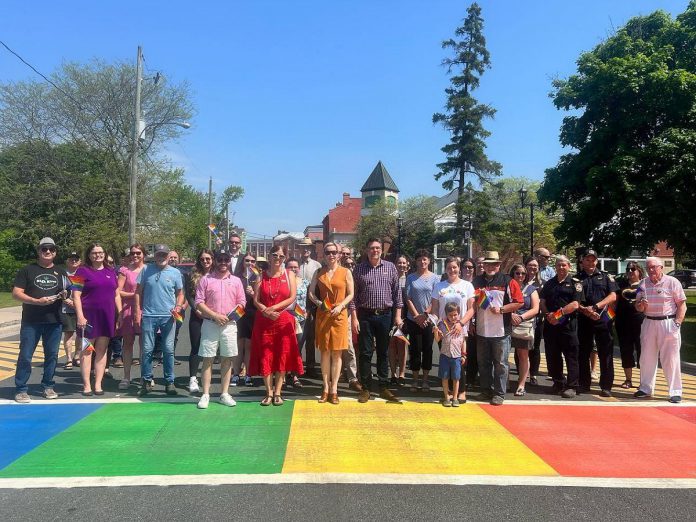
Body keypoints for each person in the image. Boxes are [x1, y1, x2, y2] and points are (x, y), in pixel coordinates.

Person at [12, 237, 67, 403]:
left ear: (55, 252)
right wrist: (37, 301)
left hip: (54, 321)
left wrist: (65, 296)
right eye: (44, 249)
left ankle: (48, 386)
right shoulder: (27, 270)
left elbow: (67, 292)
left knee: (52, 355)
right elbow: (16, 293)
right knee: (26, 355)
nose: (48, 252)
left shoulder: (61, 272)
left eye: (51, 249)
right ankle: (21, 389)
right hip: (31, 320)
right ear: (39, 251)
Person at [350, 238, 403, 403]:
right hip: (365, 315)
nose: (375, 250)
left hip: (385, 315)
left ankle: (383, 386)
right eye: (372, 248)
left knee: (383, 352)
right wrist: (354, 318)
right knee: (365, 353)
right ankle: (366, 388)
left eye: (378, 248)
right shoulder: (359, 269)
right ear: (367, 250)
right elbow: (353, 297)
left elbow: (397, 294)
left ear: (382, 250)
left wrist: (397, 316)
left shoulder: (390, 267)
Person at [249, 245, 304, 406]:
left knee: (282, 354)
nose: (277, 258)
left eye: (281, 256)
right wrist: (265, 311)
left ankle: (278, 392)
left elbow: (292, 297)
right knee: (266, 355)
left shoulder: (289, 274)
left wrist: (272, 308)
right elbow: (256, 300)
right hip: (264, 321)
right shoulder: (261, 276)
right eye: (275, 255)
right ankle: (268, 392)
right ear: (269, 256)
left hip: (283, 319)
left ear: (284, 258)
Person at [194, 250, 246, 409]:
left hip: (229, 325)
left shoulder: (236, 281)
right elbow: (199, 302)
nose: (223, 262)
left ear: (230, 261)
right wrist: (215, 315)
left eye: (226, 259)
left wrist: (230, 317)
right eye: (220, 259)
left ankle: (224, 393)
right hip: (210, 323)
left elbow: (242, 303)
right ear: (215, 261)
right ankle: (205, 394)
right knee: (208, 359)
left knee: (227, 359)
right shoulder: (205, 279)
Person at [472, 251, 523, 406]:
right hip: (481, 329)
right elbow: (472, 303)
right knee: (483, 362)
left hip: (501, 331)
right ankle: (486, 390)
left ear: (498, 265)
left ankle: (499, 393)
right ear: (483, 265)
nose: (490, 267)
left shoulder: (508, 281)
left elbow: (519, 302)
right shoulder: (477, 281)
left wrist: (502, 309)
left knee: (500, 363)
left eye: (493, 264)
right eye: (487, 264)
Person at [134, 244, 185, 396]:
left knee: (168, 350)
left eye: (164, 255)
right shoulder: (146, 270)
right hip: (149, 316)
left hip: (168, 316)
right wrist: (138, 311)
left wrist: (178, 306)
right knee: (147, 350)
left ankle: (169, 382)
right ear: (154, 255)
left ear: (169, 256)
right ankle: (147, 381)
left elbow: (180, 293)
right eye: (159, 254)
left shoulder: (175, 272)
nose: (161, 257)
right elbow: (138, 292)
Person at [634, 257, 687, 403]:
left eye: (654, 267)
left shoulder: (672, 282)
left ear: (661, 267)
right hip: (649, 322)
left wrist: (677, 323)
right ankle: (645, 388)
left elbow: (682, 305)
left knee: (670, 358)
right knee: (646, 357)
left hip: (668, 322)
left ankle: (675, 391)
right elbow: (637, 307)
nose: (651, 270)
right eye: (648, 267)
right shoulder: (643, 283)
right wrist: (640, 304)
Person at [308, 242, 354, 404]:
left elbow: (351, 294)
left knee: (337, 353)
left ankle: (334, 389)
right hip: (324, 314)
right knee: (325, 352)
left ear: (339, 254)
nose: (331, 255)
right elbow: (311, 293)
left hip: (339, 315)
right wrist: (319, 303)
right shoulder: (318, 272)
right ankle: (325, 388)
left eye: (334, 252)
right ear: (324, 255)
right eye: (328, 252)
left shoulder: (346, 272)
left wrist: (341, 305)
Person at [72, 243, 122, 396]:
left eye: (100, 252)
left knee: (102, 351)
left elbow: (116, 294)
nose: (97, 255)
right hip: (88, 319)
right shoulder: (81, 271)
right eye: (94, 253)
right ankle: (87, 385)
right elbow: (76, 295)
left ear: (105, 254)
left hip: (107, 317)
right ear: (89, 255)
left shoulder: (111, 271)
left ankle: (98, 384)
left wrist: (120, 314)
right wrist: (80, 315)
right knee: (87, 351)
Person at [431, 256, 475, 401]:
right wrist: (436, 324)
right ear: (445, 269)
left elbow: (471, 309)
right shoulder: (439, 286)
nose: (452, 270)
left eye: (455, 267)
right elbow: (436, 309)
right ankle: (448, 392)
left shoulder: (467, 286)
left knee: (459, 359)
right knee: (446, 359)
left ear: (459, 269)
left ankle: (461, 390)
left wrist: (460, 323)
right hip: (444, 330)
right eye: (449, 268)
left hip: (460, 328)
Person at [539, 255, 583, 398]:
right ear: (555, 267)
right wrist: (548, 315)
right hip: (551, 325)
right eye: (558, 265)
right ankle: (558, 382)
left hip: (567, 325)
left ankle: (572, 386)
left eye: (564, 265)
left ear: (569, 266)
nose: (561, 267)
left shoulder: (576, 283)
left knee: (571, 356)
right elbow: (542, 301)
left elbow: (576, 304)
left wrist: (558, 315)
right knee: (552, 355)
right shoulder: (549, 283)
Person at [576, 249, 618, 397]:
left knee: (605, 353)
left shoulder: (606, 277)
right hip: (583, 319)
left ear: (597, 261)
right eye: (587, 259)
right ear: (582, 261)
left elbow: (613, 296)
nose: (590, 262)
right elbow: (574, 300)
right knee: (583, 352)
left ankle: (606, 386)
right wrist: (586, 310)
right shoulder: (576, 279)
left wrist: (595, 307)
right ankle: (584, 383)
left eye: (593, 260)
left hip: (603, 319)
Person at [405, 249, 440, 393]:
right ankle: (414, 379)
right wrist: (417, 316)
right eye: (419, 259)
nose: (422, 262)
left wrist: (425, 315)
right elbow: (408, 298)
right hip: (413, 320)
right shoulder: (410, 278)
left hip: (429, 320)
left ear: (429, 261)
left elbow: (435, 298)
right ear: (416, 261)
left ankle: (425, 380)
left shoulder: (435, 278)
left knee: (427, 350)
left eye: (425, 259)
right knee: (414, 350)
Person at [116, 243, 146, 391]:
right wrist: (134, 295)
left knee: (145, 346)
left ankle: (144, 377)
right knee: (127, 344)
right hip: (128, 310)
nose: (135, 256)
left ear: (143, 255)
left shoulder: (148, 270)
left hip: (145, 310)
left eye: (138, 253)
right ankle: (126, 377)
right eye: (132, 253)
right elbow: (118, 292)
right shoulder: (124, 271)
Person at [185, 249, 214, 393]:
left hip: (213, 316)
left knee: (211, 349)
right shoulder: (192, 274)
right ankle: (192, 378)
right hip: (197, 315)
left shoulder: (217, 275)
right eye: (202, 259)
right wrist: (196, 309)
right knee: (196, 347)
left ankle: (207, 377)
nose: (205, 261)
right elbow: (189, 295)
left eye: (208, 259)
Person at [509, 263, 539, 396]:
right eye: (517, 273)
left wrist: (520, 317)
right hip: (507, 323)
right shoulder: (507, 288)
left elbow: (535, 309)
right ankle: (504, 382)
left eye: (523, 273)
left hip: (524, 324)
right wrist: (510, 315)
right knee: (503, 355)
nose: (520, 276)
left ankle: (521, 385)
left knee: (523, 356)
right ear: (512, 274)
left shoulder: (531, 289)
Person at [615, 261, 644, 389]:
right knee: (626, 351)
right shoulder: (621, 285)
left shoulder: (645, 284)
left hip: (641, 323)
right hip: (623, 323)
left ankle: (643, 381)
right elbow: (614, 303)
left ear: (639, 271)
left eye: (633, 269)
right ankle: (628, 379)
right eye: (628, 269)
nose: (630, 272)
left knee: (642, 351)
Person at [233, 252, 259, 387]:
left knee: (249, 346)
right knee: (238, 345)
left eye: (252, 261)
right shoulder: (236, 278)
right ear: (242, 262)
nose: (250, 263)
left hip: (251, 313)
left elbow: (261, 299)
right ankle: (236, 374)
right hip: (239, 313)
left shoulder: (257, 278)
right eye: (247, 260)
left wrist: (253, 293)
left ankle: (248, 375)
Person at [297, 237, 322, 377]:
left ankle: (311, 367)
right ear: (300, 249)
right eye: (302, 247)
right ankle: (297, 367)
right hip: (297, 308)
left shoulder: (317, 266)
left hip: (312, 307)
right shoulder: (295, 265)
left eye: (308, 247)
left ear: (311, 249)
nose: (305, 249)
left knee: (311, 339)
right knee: (298, 338)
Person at [438, 302, 467, 407]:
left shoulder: (461, 326)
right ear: (446, 314)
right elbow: (437, 339)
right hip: (445, 355)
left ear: (458, 314)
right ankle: (446, 397)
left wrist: (464, 354)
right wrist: (436, 332)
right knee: (445, 377)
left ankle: (455, 398)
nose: (453, 317)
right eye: (450, 315)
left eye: (455, 315)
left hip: (456, 356)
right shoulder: (442, 324)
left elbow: (463, 341)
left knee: (456, 378)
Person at [285, 257, 307, 389]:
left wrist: (308, 312)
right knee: (284, 348)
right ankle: (282, 375)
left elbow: (310, 299)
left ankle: (294, 375)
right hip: (286, 319)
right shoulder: (282, 282)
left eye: (295, 267)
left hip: (301, 320)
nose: (293, 269)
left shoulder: (305, 282)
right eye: (290, 267)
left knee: (297, 349)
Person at [389, 254, 410, 386]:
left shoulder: (410, 280)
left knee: (402, 345)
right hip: (391, 315)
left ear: (407, 266)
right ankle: (393, 374)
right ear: (395, 264)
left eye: (404, 263)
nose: (401, 265)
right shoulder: (391, 278)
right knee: (391, 345)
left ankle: (402, 374)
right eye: (399, 263)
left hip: (406, 317)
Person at [461, 258, 480, 391]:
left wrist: (473, 322)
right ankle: (458, 378)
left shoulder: (478, 283)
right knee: (459, 353)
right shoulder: (457, 283)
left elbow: (478, 305)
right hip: (458, 323)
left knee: (473, 352)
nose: (468, 270)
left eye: (471, 267)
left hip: (475, 323)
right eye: (466, 267)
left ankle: (471, 379)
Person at [61, 251, 81, 369]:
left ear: (80, 261)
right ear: (67, 261)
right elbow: (58, 290)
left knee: (81, 334)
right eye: (71, 259)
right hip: (66, 308)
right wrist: (67, 301)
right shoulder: (62, 274)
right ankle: (68, 358)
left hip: (81, 309)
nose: (74, 261)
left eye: (76, 259)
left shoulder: (83, 273)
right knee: (68, 334)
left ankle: (77, 357)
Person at [525, 257, 543, 385]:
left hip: (538, 319)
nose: (533, 268)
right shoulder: (520, 281)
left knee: (535, 347)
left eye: (535, 266)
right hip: (522, 319)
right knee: (521, 347)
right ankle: (523, 372)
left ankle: (534, 374)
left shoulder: (543, 283)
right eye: (530, 265)